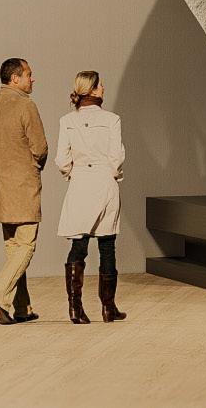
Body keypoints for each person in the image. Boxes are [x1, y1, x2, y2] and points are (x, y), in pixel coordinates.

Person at [0, 57, 47, 325]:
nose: (33, 78)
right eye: (29, 74)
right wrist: (34, 166)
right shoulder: (26, 105)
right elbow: (40, 148)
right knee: (26, 245)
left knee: (13, 248)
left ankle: (22, 307)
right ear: (15, 78)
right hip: (23, 184)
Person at [56, 70, 127, 323]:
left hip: (80, 184)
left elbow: (61, 160)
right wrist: (109, 174)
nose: (104, 88)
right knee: (107, 245)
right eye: (101, 85)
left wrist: (74, 175)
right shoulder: (112, 119)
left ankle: (75, 309)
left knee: (79, 244)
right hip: (104, 182)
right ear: (94, 89)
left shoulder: (67, 120)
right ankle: (108, 308)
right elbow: (116, 157)